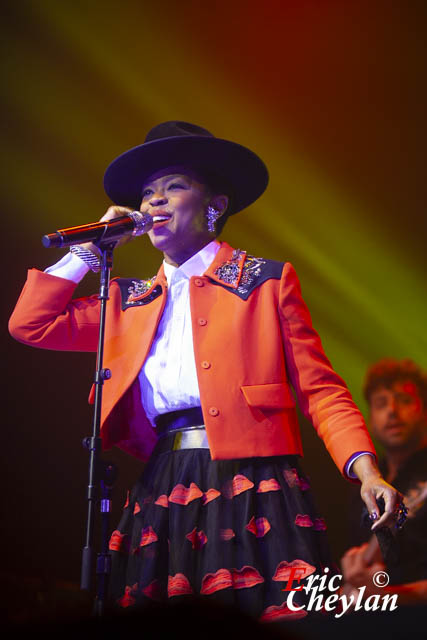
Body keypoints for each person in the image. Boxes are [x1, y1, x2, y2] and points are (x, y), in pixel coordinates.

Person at [9, 121, 400, 622]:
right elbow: (29, 325)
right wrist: (88, 253)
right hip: (165, 483)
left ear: (214, 204)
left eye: (174, 186)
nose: (155, 201)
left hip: (253, 481)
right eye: (148, 193)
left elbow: (320, 388)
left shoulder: (264, 281)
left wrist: (365, 468)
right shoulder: (126, 299)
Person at [341, 358, 427, 605]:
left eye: (405, 400)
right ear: (369, 418)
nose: (392, 410)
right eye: (381, 404)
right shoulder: (360, 487)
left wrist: (389, 597)